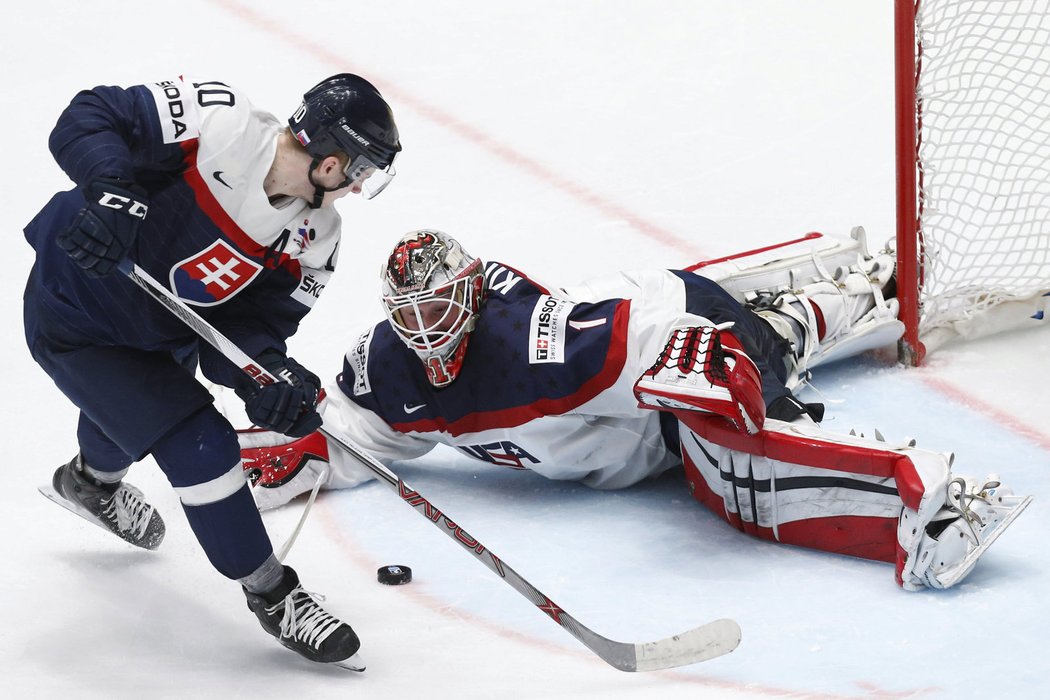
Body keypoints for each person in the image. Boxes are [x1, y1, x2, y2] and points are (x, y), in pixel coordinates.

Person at [239, 228, 1031, 592]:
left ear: (473, 298)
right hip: (643, 375)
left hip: (666, 382)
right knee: (754, 376)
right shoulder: (389, 363)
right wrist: (289, 453)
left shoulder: (529, 349)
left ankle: (930, 508)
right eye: (408, 316)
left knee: (739, 481)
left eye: (440, 310)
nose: (425, 333)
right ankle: (827, 302)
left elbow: (645, 337)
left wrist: (712, 369)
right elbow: (350, 427)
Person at [23, 73, 402, 670]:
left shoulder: (317, 238)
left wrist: (268, 376)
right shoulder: (219, 123)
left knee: (132, 412)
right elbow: (90, 114)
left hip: (162, 331)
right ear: (330, 159)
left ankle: (89, 484)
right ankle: (272, 592)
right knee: (201, 444)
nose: (356, 187)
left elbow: (250, 329)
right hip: (76, 311)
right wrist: (111, 192)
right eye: (358, 169)